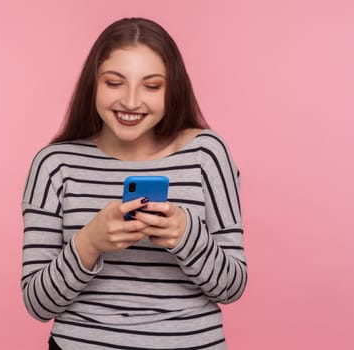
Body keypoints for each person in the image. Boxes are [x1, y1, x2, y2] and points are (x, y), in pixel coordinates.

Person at [21, 17, 247, 350]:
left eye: (152, 86)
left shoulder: (207, 154)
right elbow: (38, 304)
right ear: (93, 84)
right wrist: (89, 243)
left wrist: (186, 236)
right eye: (114, 82)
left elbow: (231, 288)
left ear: (173, 90)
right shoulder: (54, 165)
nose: (130, 101)